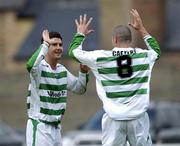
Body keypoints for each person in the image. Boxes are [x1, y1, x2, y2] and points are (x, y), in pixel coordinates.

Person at [68, 9, 161, 146]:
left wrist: (80, 34)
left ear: (115, 39)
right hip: (138, 119)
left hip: (114, 119)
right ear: (130, 39)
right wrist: (141, 29)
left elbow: (73, 52)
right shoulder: (143, 56)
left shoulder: (100, 58)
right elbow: (156, 51)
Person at [26, 30, 89, 146]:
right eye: (54, 44)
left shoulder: (62, 70)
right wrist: (44, 44)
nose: (58, 47)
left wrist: (83, 73)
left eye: (60, 44)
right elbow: (30, 65)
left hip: (56, 128)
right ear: (46, 48)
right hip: (40, 127)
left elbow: (80, 89)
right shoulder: (39, 68)